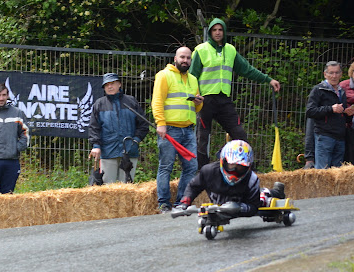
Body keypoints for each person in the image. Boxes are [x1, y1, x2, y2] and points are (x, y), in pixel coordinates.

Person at [190, 18, 281, 168]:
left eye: (220, 30)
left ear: (224, 32)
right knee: (202, 139)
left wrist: (268, 79)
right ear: (210, 32)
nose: (217, 33)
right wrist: (194, 97)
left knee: (239, 134)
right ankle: (201, 171)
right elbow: (192, 77)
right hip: (205, 101)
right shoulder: (201, 50)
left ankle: (247, 167)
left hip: (224, 101)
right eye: (214, 30)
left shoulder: (230, 50)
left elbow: (247, 69)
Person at [152, 46, 203, 213]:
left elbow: (196, 108)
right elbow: (157, 101)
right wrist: (161, 123)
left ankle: (181, 202)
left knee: (191, 167)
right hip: (169, 130)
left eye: (188, 58)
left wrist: (198, 103)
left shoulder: (194, 79)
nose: (185, 60)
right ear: (175, 58)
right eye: (182, 57)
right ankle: (164, 204)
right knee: (166, 166)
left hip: (188, 130)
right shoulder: (164, 75)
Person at [173, 140, 261, 217]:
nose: (234, 172)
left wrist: (240, 208)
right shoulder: (208, 171)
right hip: (218, 208)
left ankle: (273, 192)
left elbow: (254, 207)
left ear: (248, 167)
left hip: (242, 205)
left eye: (240, 168)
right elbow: (193, 187)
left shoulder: (252, 179)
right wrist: (185, 202)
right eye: (231, 166)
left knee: (264, 198)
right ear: (222, 161)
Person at [88, 73, 149, 184]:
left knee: (127, 187)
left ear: (119, 84)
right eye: (107, 85)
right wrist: (96, 146)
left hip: (130, 151)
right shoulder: (99, 104)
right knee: (108, 188)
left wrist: (135, 140)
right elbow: (94, 127)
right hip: (108, 152)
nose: (110, 87)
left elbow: (143, 124)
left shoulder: (131, 101)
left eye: (112, 83)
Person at [306, 61, 348, 169]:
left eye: (337, 73)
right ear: (325, 74)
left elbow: (339, 113)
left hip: (340, 137)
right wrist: (331, 109)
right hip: (324, 136)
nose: (334, 76)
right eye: (331, 73)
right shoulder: (318, 90)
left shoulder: (342, 91)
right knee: (322, 173)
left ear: (341, 74)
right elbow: (310, 111)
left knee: (337, 174)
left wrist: (346, 112)